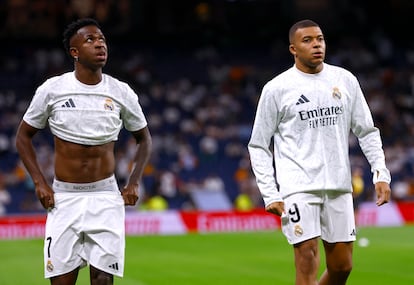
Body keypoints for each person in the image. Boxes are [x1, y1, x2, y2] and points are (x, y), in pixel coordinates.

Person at [248, 19, 391, 285]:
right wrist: (270, 192)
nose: (316, 45)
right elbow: (258, 144)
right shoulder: (277, 88)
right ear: (293, 49)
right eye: (308, 40)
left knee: (342, 267)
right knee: (307, 258)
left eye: (320, 39)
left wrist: (381, 173)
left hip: (338, 184)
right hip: (298, 187)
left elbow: (367, 131)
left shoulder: (344, 80)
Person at [15, 18, 152, 285]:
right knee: (62, 281)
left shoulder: (121, 92)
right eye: (90, 39)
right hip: (64, 198)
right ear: (74, 52)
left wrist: (134, 182)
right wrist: (39, 183)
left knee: (103, 280)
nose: (100, 43)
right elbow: (23, 136)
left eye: (102, 39)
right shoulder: (52, 90)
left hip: (105, 196)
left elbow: (144, 139)